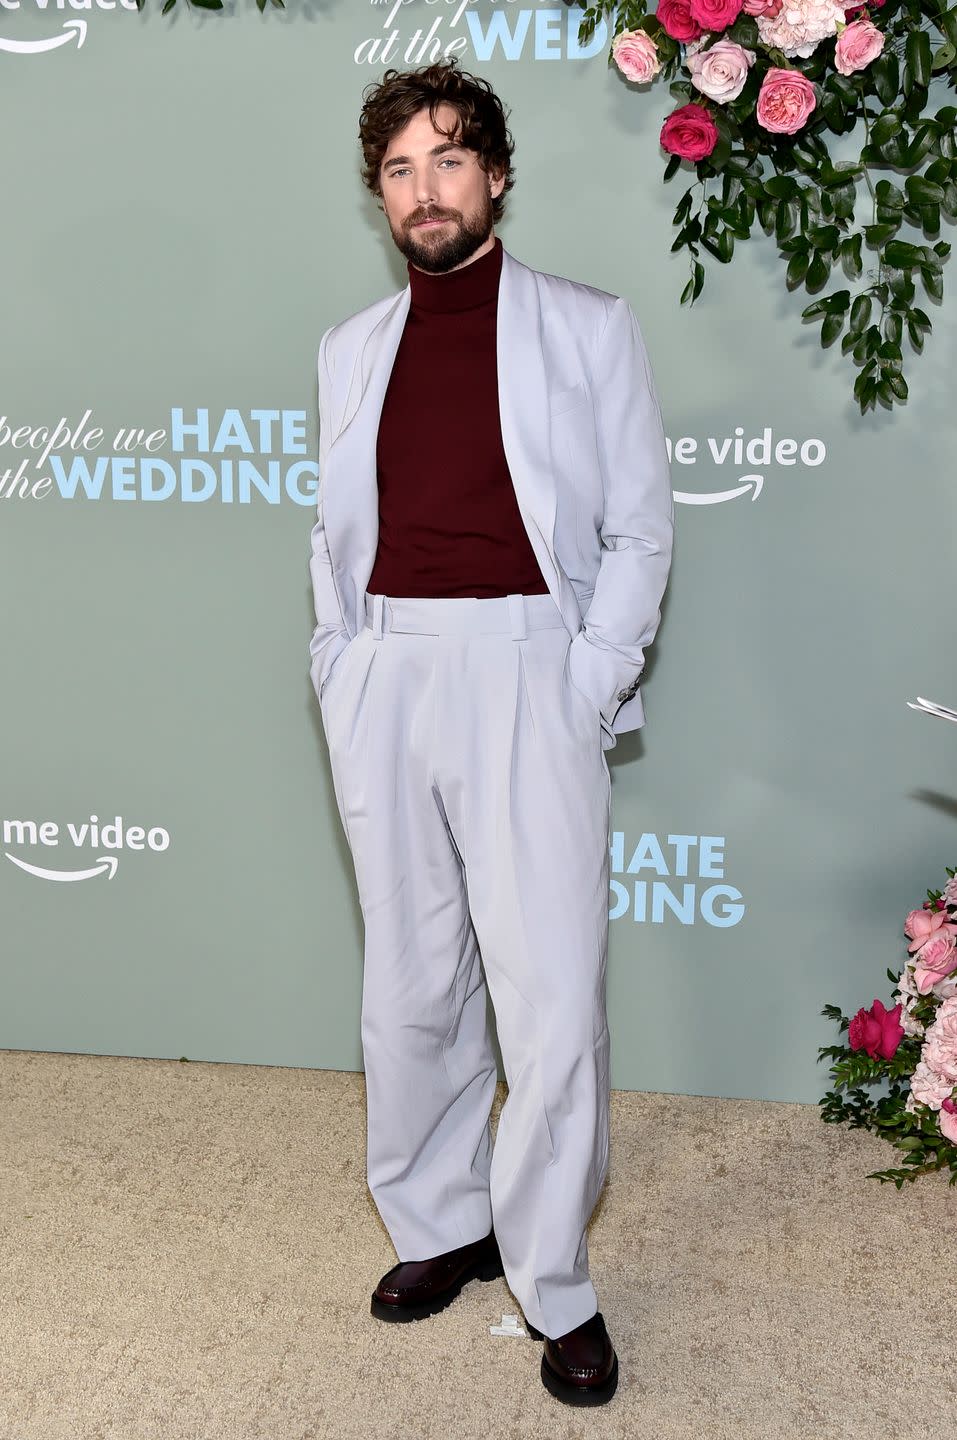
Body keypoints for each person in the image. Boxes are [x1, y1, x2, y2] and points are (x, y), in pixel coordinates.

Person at [308, 56, 673, 1408]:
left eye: (447, 159)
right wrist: (341, 660)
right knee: (408, 990)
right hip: (387, 669)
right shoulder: (347, 349)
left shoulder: (587, 326)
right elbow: (331, 537)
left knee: (551, 1004)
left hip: (531, 666)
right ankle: (440, 1225)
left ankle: (553, 1281)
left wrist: (586, 679)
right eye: (400, 168)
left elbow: (639, 527)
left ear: (496, 174)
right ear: (379, 193)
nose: (424, 189)